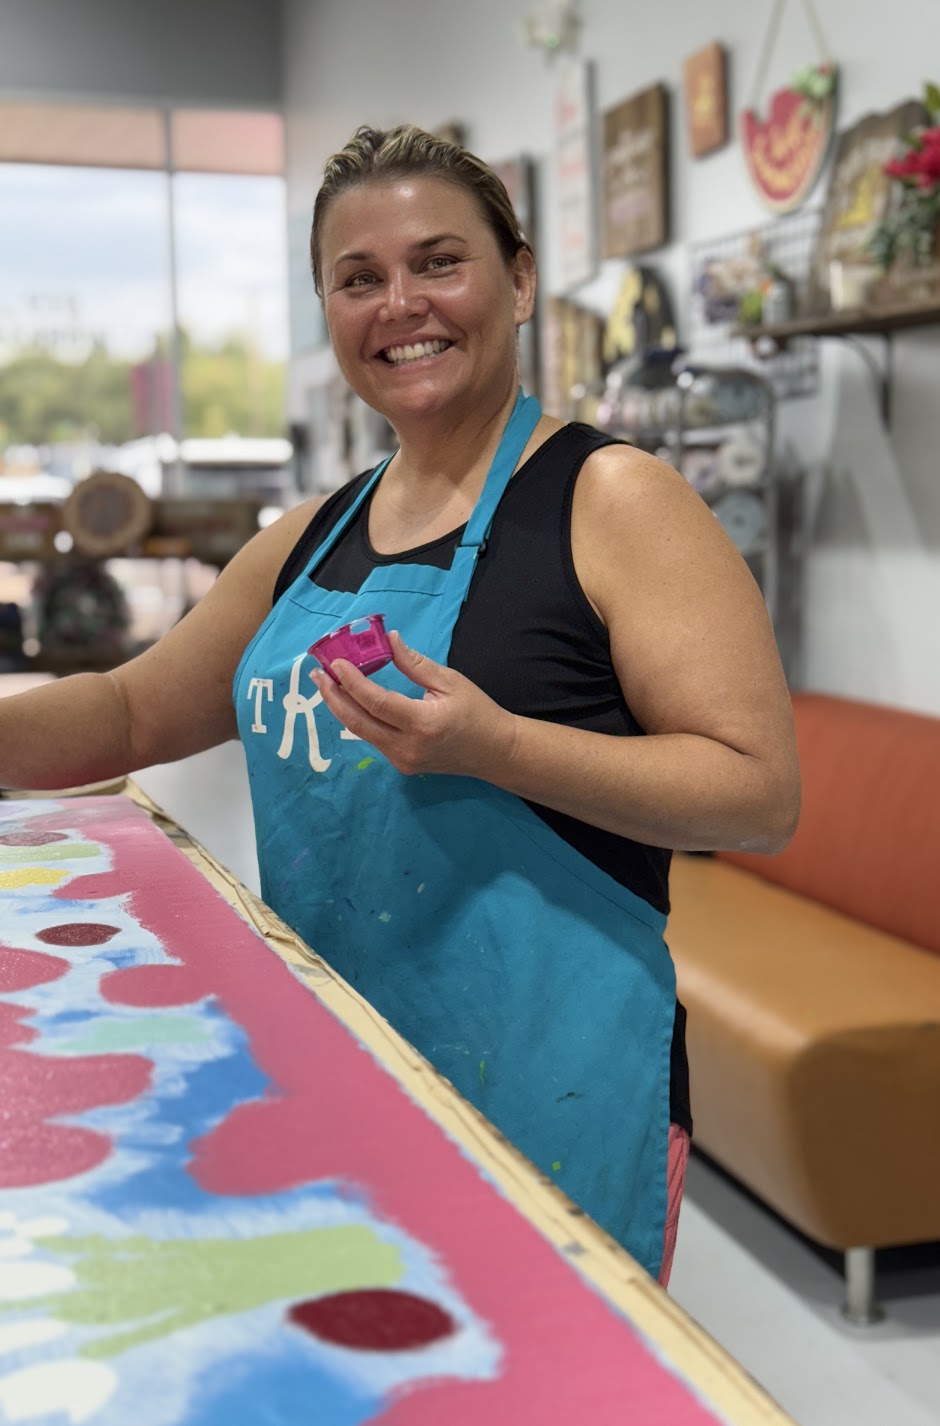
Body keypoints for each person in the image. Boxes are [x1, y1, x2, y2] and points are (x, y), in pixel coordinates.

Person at [0, 124, 800, 1285]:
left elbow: (758, 795)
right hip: (351, 1068)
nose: (401, 304)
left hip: (553, 1079)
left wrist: (498, 745)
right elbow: (128, 715)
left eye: (439, 262)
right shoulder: (312, 535)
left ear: (518, 278)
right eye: (358, 278)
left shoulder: (614, 499)